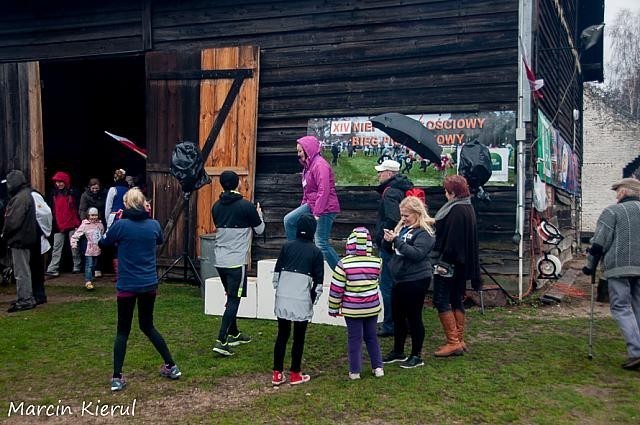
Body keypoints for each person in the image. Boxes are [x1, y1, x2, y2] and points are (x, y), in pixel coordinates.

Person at [99, 187, 181, 391]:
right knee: (148, 326)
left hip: (127, 284)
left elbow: (104, 242)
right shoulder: (153, 225)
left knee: (123, 330)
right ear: (143, 204)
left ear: (126, 205)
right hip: (148, 283)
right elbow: (160, 239)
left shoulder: (121, 226)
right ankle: (171, 365)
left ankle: (117, 376)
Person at [583, 177, 640, 370]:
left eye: (618, 191)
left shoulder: (612, 212)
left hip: (619, 267)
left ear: (624, 192)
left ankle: (636, 351)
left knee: (621, 307)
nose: (616, 195)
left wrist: (590, 265)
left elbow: (599, 242)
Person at [211, 170, 265, 357]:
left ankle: (234, 333)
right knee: (234, 299)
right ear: (237, 184)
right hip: (236, 262)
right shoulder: (246, 206)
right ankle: (221, 340)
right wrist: (259, 214)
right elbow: (259, 230)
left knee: (230, 295)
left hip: (220, 260)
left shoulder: (216, 206)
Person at [380, 196, 435, 369]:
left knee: (414, 317)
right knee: (398, 316)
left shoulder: (425, 232)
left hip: (417, 278)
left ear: (417, 213)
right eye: (402, 215)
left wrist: (396, 240)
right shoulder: (403, 228)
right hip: (400, 278)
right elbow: (392, 250)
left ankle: (416, 355)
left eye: (406, 215)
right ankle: (398, 351)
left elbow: (416, 253)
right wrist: (387, 241)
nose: (403, 218)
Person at [272, 214, 324, 386]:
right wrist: (312, 301)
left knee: (282, 335)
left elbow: (277, 273)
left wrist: (279, 292)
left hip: (283, 297)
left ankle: (277, 374)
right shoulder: (316, 252)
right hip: (301, 298)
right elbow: (318, 282)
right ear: (313, 231)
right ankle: (295, 374)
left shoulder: (287, 246)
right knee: (298, 338)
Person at [431, 175, 481, 357]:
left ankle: (453, 342)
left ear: (453, 192)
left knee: (441, 299)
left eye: (446, 190)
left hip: (450, 263)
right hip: (461, 263)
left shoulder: (457, 210)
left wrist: (443, 258)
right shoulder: (466, 206)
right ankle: (458, 339)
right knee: (455, 298)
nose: (445, 193)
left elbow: (452, 241)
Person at [328, 226, 384, 379]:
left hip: (352, 310)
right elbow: (376, 281)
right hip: (371, 307)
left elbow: (336, 289)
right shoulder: (377, 262)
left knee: (355, 338)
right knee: (372, 336)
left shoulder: (343, 264)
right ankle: (378, 367)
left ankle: (355, 371)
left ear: (350, 243)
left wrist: (333, 308)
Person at [284, 135, 341, 269]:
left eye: (300, 151)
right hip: (311, 205)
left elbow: (324, 189)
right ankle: (297, 252)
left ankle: (342, 273)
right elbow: (307, 191)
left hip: (325, 208)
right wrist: (302, 209)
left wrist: (317, 214)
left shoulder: (320, 165)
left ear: (308, 149)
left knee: (321, 243)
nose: (298, 154)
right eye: (297, 151)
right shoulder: (307, 167)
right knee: (289, 220)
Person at [373, 159, 414, 337]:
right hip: (401, 244)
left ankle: (390, 324)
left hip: (390, 245)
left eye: (381, 172)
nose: (378, 175)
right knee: (400, 284)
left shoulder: (390, 193)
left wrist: (383, 240)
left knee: (387, 285)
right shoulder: (402, 189)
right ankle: (403, 322)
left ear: (389, 174)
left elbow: (391, 218)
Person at [1, 170, 39, 312]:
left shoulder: (20, 198)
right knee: (24, 270)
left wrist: (4, 235)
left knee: (21, 271)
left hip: (19, 239)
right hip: (25, 238)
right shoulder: (26, 195)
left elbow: (13, 221)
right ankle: (27, 297)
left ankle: (25, 299)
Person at [45, 171, 81, 277]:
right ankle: (53, 269)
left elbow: (78, 207)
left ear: (65, 182)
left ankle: (77, 266)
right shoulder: (53, 193)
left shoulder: (73, 192)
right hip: (58, 224)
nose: (58, 184)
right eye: (56, 182)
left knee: (74, 247)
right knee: (56, 247)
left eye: (61, 182)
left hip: (73, 223)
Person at [78, 177, 106, 278]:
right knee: (88, 246)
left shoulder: (104, 195)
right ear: (89, 187)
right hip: (88, 222)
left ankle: (98, 268)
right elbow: (82, 209)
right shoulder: (85, 196)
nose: (95, 190)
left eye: (96, 188)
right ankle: (88, 269)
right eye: (93, 188)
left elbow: (106, 207)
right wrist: (85, 221)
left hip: (100, 221)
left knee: (100, 245)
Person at [71, 207, 104, 290]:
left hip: (97, 249)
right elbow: (76, 235)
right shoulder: (85, 225)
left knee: (94, 265)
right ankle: (88, 281)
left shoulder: (100, 224)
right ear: (88, 215)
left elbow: (102, 234)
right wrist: (74, 243)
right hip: (89, 249)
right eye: (92, 215)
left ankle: (90, 276)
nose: (94, 217)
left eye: (95, 215)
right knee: (89, 265)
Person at [105, 169, 129, 278]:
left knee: (115, 245)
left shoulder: (113, 190)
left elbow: (108, 207)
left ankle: (118, 273)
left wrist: (107, 221)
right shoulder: (129, 190)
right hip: (126, 218)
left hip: (115, 218)